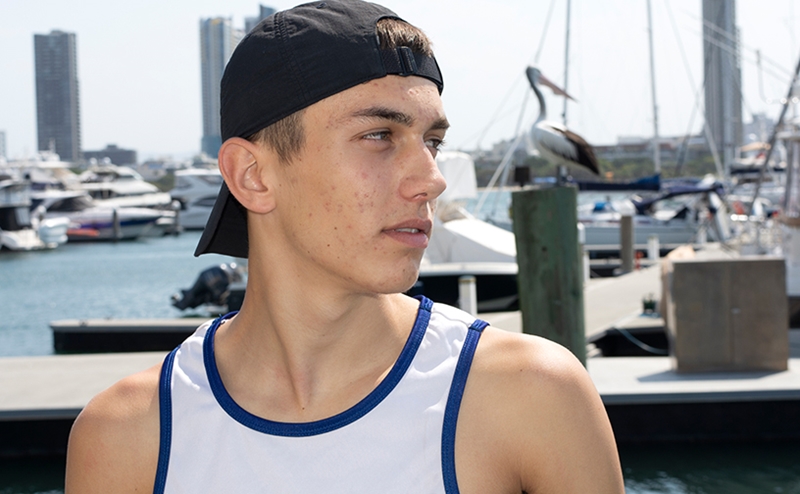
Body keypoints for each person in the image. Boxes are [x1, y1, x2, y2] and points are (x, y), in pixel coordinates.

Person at [65, 1, 625, 492]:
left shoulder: (531, 398)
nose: (432, 179)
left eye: (432, 141)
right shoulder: (128, 437)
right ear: (252, 175)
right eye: (379, 136)